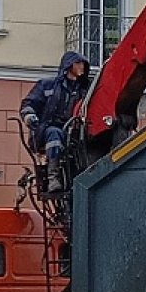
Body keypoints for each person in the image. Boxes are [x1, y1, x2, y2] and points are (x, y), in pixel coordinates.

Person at [20, 51, 91, 192]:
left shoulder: (85, 90)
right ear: (69, 65)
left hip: (73, 131)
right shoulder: (47, 85)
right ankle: (53, 177)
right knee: (54, 134)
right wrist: (29, 116)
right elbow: (29, 104)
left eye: (83, 64)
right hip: (46, 129)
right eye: (78, 63)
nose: (82, 66)